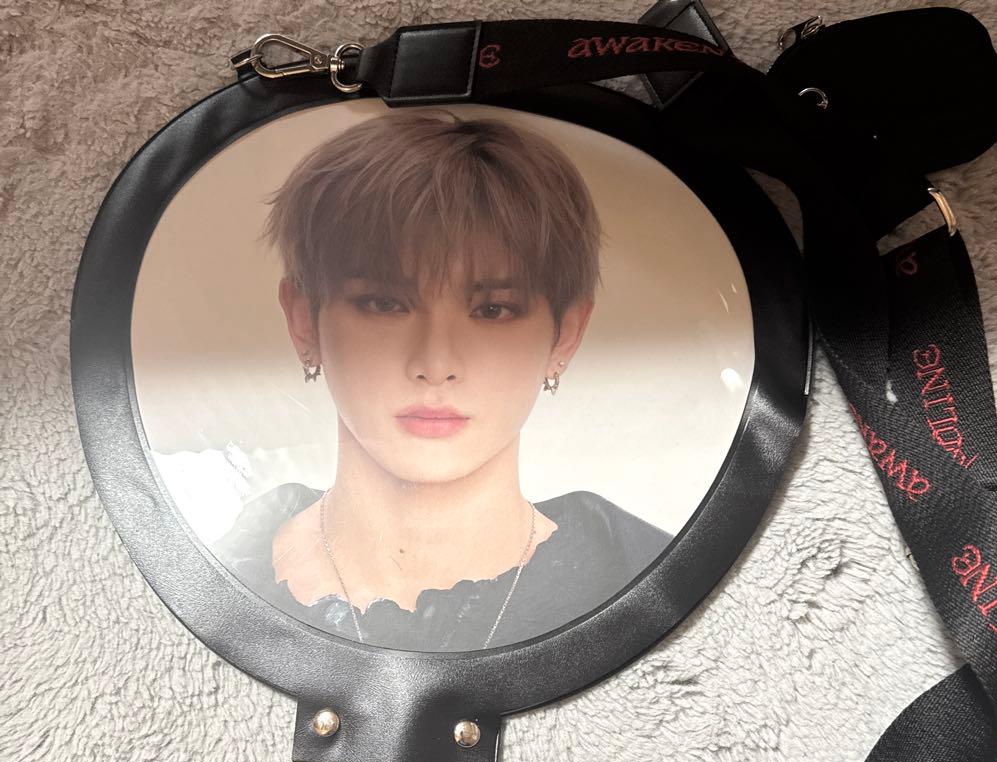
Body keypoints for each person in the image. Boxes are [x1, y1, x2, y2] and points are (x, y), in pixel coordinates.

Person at [214, 109, 672, 651]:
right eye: (385, 303)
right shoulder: (219, 570)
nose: (435, 364)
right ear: (302, 320)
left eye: (494, 310)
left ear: (565, 334)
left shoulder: (647, 573)